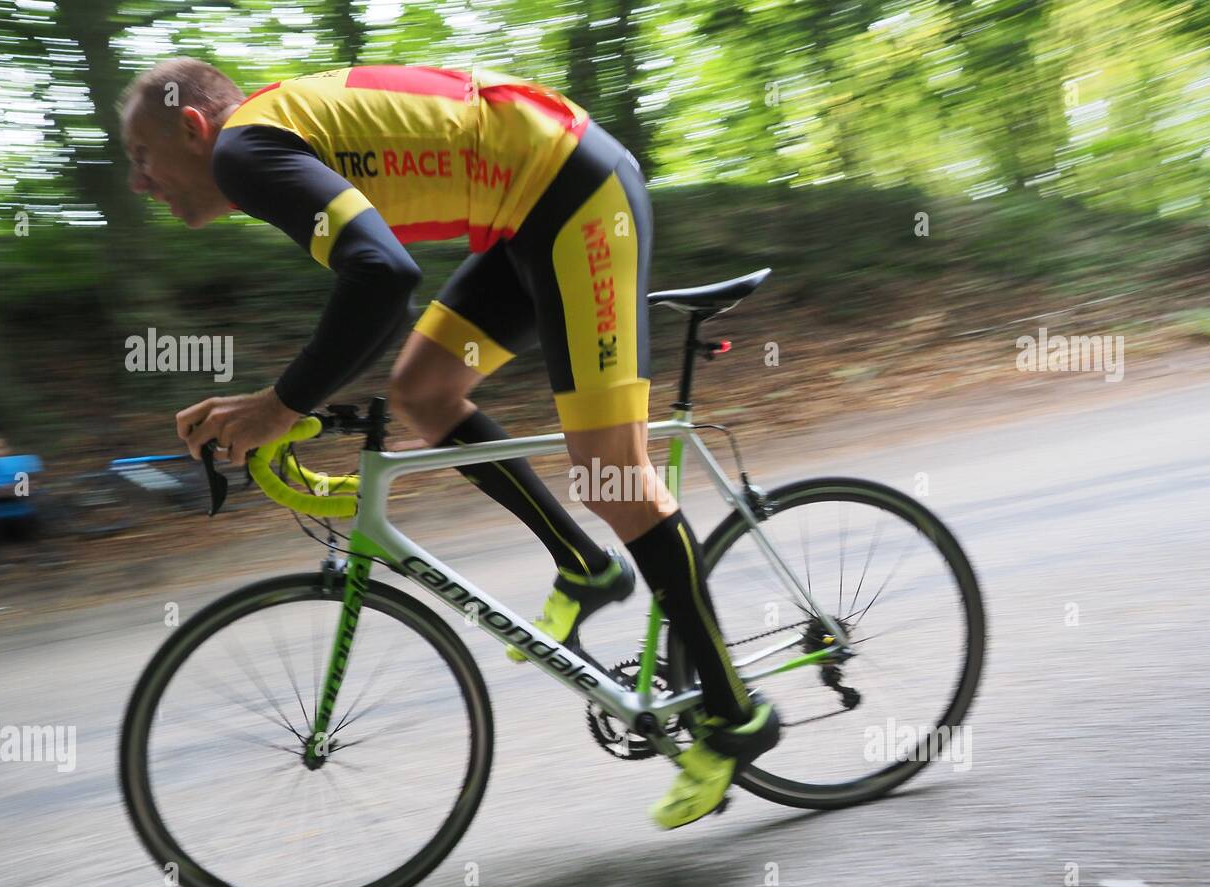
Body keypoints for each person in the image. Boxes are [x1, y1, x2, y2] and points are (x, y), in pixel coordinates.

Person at [119, 58, 778, 828]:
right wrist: (285, 400)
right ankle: (587, 566)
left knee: (612, 478)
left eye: (141, 156)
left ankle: (737, 717)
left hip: (575, 197)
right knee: (423, 393)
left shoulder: (243, 148)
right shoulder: (264, 138)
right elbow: (373, 274)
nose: (138, 181)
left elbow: (381, 274)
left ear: (193, 128)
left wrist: (279, 404)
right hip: (532, 210)